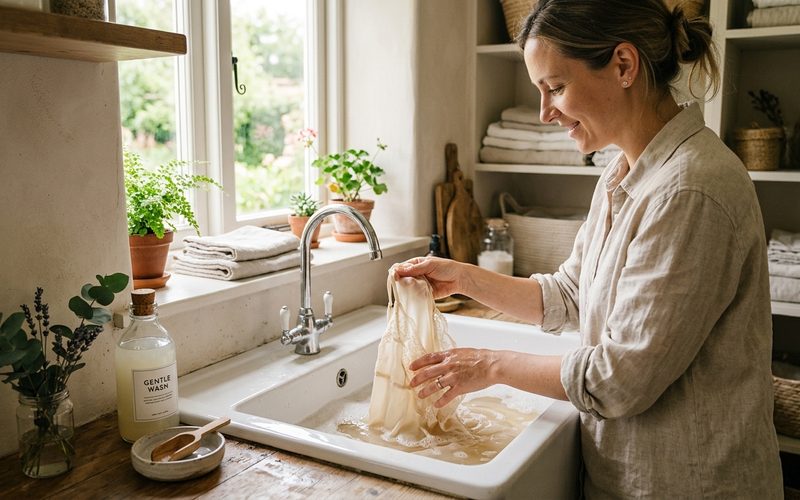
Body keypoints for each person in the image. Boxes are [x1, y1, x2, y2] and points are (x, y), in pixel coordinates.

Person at [394, 0, 784, 497]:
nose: (545, 112)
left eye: (555, 87)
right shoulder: (622, 173)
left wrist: (490, 365)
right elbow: (571, 293)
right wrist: (465, 278)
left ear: (623, 65)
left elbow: (620, 379)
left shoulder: (691, 190)